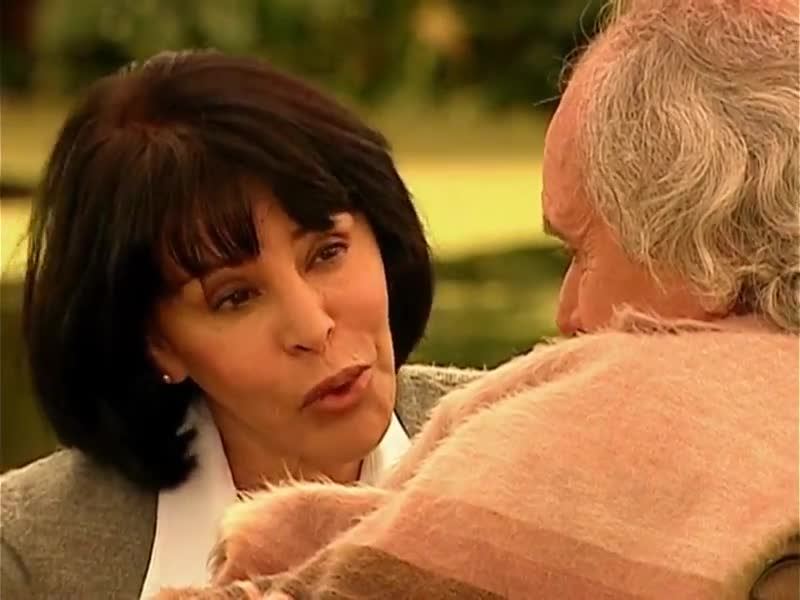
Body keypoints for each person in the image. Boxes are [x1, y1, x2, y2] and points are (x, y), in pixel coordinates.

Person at [155, 0, 799, 598]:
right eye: (235, 297)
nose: (567, 314)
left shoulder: (591, 430)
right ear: (157, 340)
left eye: (578, 251)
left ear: (694, 244)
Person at [0, 50, 483, 599]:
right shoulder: (27, 563)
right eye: (235, 298)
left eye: (327, 252)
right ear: (156, 343)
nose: (312, 327)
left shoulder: (534, 453)